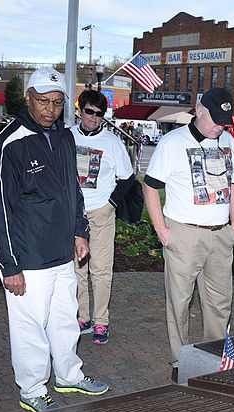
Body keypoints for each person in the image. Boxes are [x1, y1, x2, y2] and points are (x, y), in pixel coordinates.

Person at [0, 67, 110, 412]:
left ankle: (69, 376)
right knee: (30, 328)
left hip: (62, 253)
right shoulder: (9, 142)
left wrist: (79, 230)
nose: (49, 109)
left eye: (56, 102)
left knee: (65, 319)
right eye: (42, 101)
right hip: (27, 256)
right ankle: (32, 390)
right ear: (28, 98)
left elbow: (73, 189)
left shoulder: (65, 137)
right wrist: (8, 264)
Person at [142, 87, 234, 383]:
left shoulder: (228, 142)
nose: (219, 126)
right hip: (184, 235)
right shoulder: (172, 143)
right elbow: (150, 187)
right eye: (215, 118)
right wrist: (162, 230)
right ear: (199, 109)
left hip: (220, 236)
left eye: (225, 120)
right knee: (179, 303)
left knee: (220, 303)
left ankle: (212, 358)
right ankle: (180, 360)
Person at [71, 90, 136, 345]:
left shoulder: (112, 143)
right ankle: (82, 317)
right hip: (74, 213)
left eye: (100, 114)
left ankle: (101, 322)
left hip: (100, 214)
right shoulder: (68, 136)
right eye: (90, 112)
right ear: (81, 110)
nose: (94, 118)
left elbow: (129, 179)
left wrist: (110, 203)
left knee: (100, 270)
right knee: (77, 269)